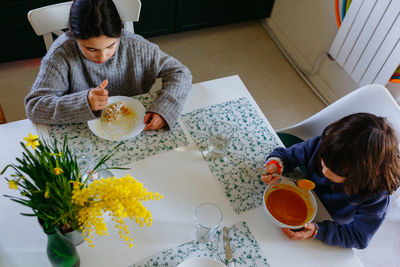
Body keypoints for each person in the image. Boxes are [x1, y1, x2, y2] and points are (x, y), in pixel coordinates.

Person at [25, 0, 192, 130]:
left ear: (120, 30)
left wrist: (164, 109)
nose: (102, 56)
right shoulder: (62, 54)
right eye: (90, 48)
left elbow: (180, 72)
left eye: (111, 46)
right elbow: (34, 107)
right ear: (73, 35)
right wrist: (83, 102)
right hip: (82, 131)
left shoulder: (137, 47)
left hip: (134, 126)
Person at [261, 113, 400, 249]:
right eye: (323, 162)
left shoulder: (376, 198)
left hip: (325, 220)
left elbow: (358, 237)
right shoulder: (325, 146)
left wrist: (318, 231)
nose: (325, 171)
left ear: (362, 175)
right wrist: (275, 165)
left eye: (336, 172)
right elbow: (286, 155)